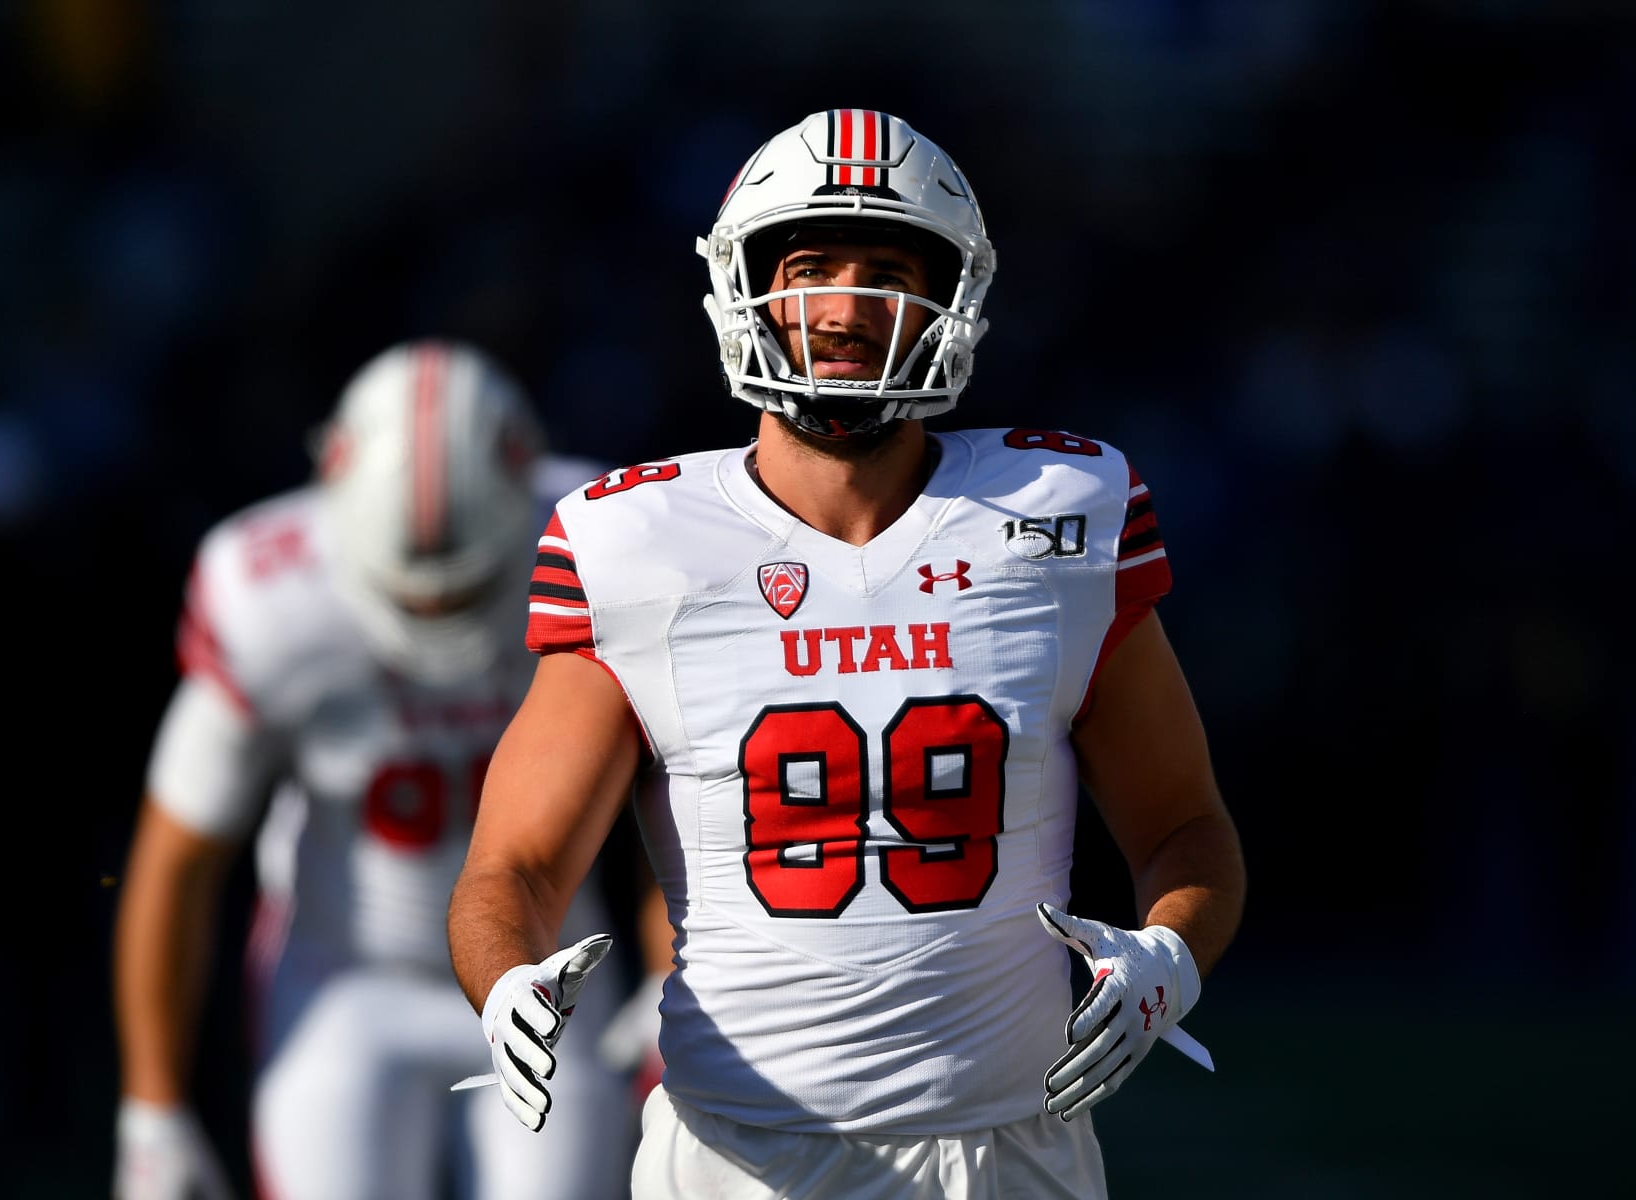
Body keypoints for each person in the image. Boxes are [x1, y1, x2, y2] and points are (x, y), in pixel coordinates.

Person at [447, 108, 1248, 1199]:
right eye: (814, 265)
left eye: (887, 269)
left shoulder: (1059, 516)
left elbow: (1187, 829)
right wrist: (504, 981)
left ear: (953, 296)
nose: (847, 305)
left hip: (1004, 1155)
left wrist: (1169, 963)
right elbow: (515, 867)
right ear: (747, 286)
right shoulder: (634, 541)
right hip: (735, 1158)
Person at [111, 338, 639, 1200]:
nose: (435, 613)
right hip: (345, 982)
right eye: (413, 594)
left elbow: (679, 790)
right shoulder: (272, 597)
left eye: (463, 593)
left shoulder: (612, 544)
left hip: (551, 973)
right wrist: (153, 1108)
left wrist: (670, 975)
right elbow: (179, 857)